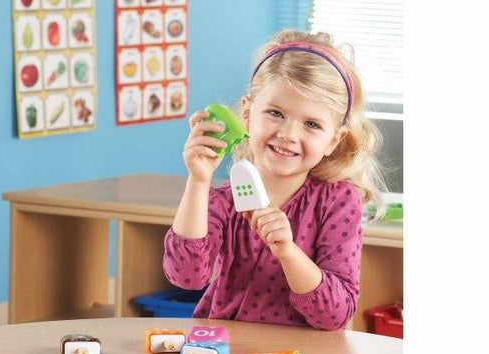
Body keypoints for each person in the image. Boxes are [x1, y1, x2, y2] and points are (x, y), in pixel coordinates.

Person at [162, 30, 387, 330]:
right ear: (247, 113)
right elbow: (186, 276)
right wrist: (199, 182)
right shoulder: (223, 201)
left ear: (334, 140)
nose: (288, 134)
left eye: (311, 124)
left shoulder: (338, 201)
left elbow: (335, 315)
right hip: (226, 349)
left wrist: (288, 253)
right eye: (275, 113)